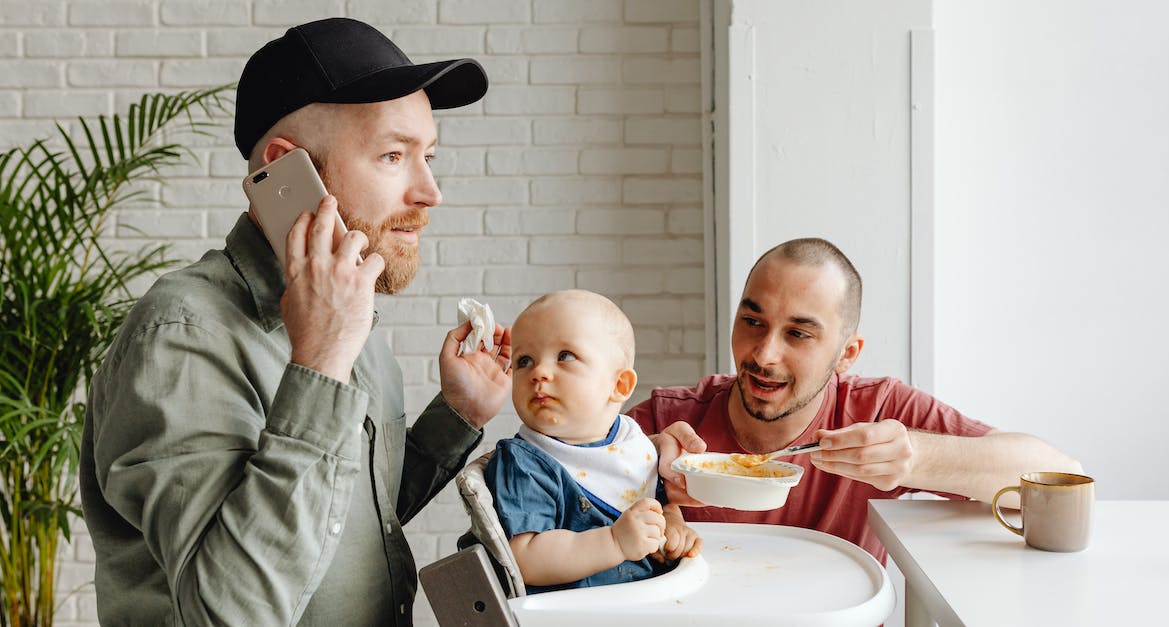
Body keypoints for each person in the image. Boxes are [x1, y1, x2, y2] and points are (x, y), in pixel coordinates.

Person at [79, 18, 511, 626]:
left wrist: (458, 415)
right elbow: (227, 613)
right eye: (393, 155)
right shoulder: (180, 337)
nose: (430, 191)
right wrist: (321, 365)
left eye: (429, 156)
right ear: (288, 170)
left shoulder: (343, 321)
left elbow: (350, 523)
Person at [632, 238, 1082, 564]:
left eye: (798, 334)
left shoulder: (879, 412)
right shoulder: (670, 419)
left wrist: (916, 456)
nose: (763, 354)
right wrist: (633, 465)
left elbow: (1063, 477)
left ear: (847, 354)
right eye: (752, 321)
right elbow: (562, 484)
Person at [486, 290, 702, 592]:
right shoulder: (525, 462)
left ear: (619, 385)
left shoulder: (631, 444)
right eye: (524, 360)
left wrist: (672, 529)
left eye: (565, 356)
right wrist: (614, 542)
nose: (539, 372)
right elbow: (525, 559)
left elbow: (657, 502)